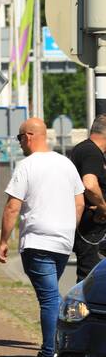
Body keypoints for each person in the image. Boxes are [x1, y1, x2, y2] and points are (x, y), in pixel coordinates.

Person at [0, 118, 84, 357]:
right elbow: (79, 202)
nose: (19, 143)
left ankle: (51, 356)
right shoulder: (66, 164)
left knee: (50, 300)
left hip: (37, 240)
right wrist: (69, 227)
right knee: (50, 296)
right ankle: (50, 350)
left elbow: (13, 206)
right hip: (62, 240)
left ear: (29, 136)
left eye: (19, 138)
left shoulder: (27, 166)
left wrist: (4, 241)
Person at [70, 114, 106, 282]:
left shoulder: (84, 149)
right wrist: (103, 207)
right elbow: (90, 185)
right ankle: (86, 309)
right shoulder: (92, 152)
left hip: (89, 229)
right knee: (91, 281)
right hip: (91, 230)